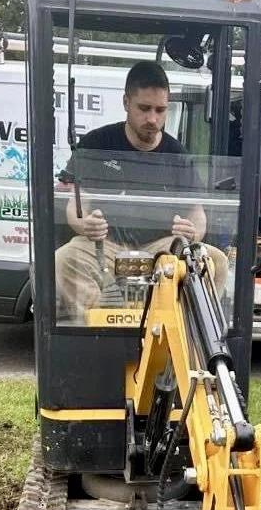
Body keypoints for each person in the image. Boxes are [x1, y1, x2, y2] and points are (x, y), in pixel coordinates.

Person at [55, 60, 226, 319]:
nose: (152, 119)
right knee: (64, 258)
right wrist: (85, 225)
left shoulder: (178, 155)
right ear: (126, 103)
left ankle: (184, 335)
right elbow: (76, 205)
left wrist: (193, 233)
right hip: (106, 247)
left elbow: (197, 213)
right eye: (144, 108)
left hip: (161, 249)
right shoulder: (96, 144)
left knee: (216, 260)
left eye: (160, 110)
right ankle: (98, 327)